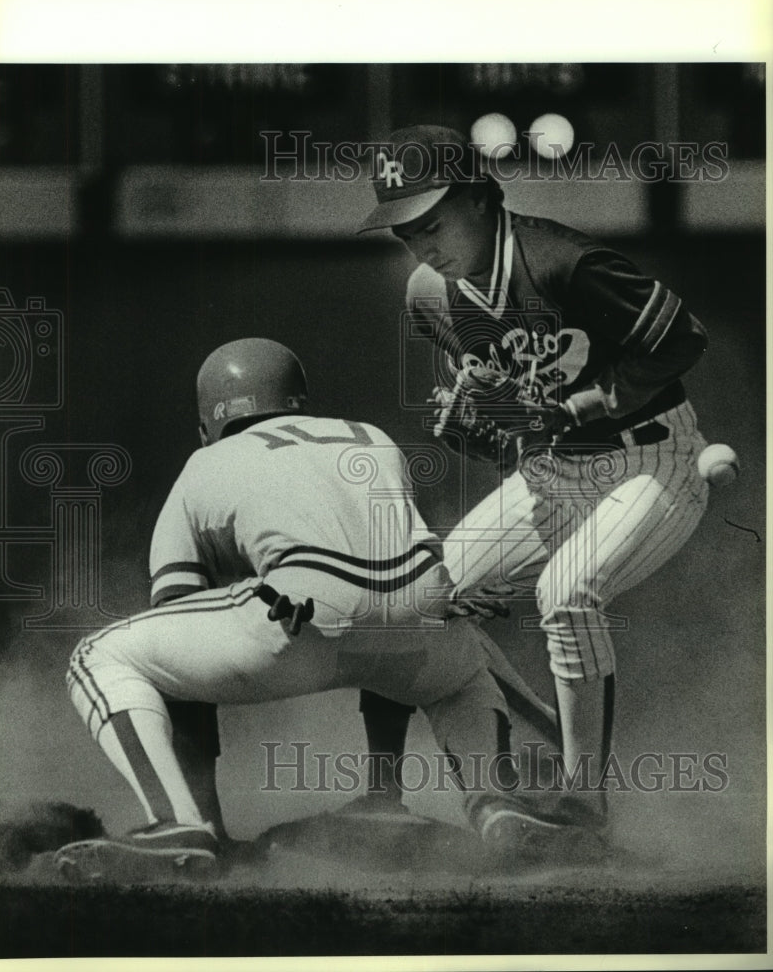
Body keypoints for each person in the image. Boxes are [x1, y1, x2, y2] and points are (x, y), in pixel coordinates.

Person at [55, 338, 560, 882]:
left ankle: (180, 824)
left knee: (100, 656)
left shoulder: (205, 462)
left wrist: (211, 826)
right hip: (425, 614)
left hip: (300, 620)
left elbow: (178, 652)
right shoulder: (372, 437)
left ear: (207, 424)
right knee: (450, 660)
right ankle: (485, 802)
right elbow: (382, 603)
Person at [354, 124, 710, 830]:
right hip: (553, 473)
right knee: (417, 603)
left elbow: (682, 338)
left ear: (480, 197)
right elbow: (518, 421)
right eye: (405, 232)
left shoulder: (562, 262)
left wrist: (581, 406)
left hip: (650, 460)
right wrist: (487, 434)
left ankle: (583, 805)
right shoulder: (429, 296)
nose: (421, 245)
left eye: (432, 223)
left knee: (566, 594)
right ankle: (527, 752)